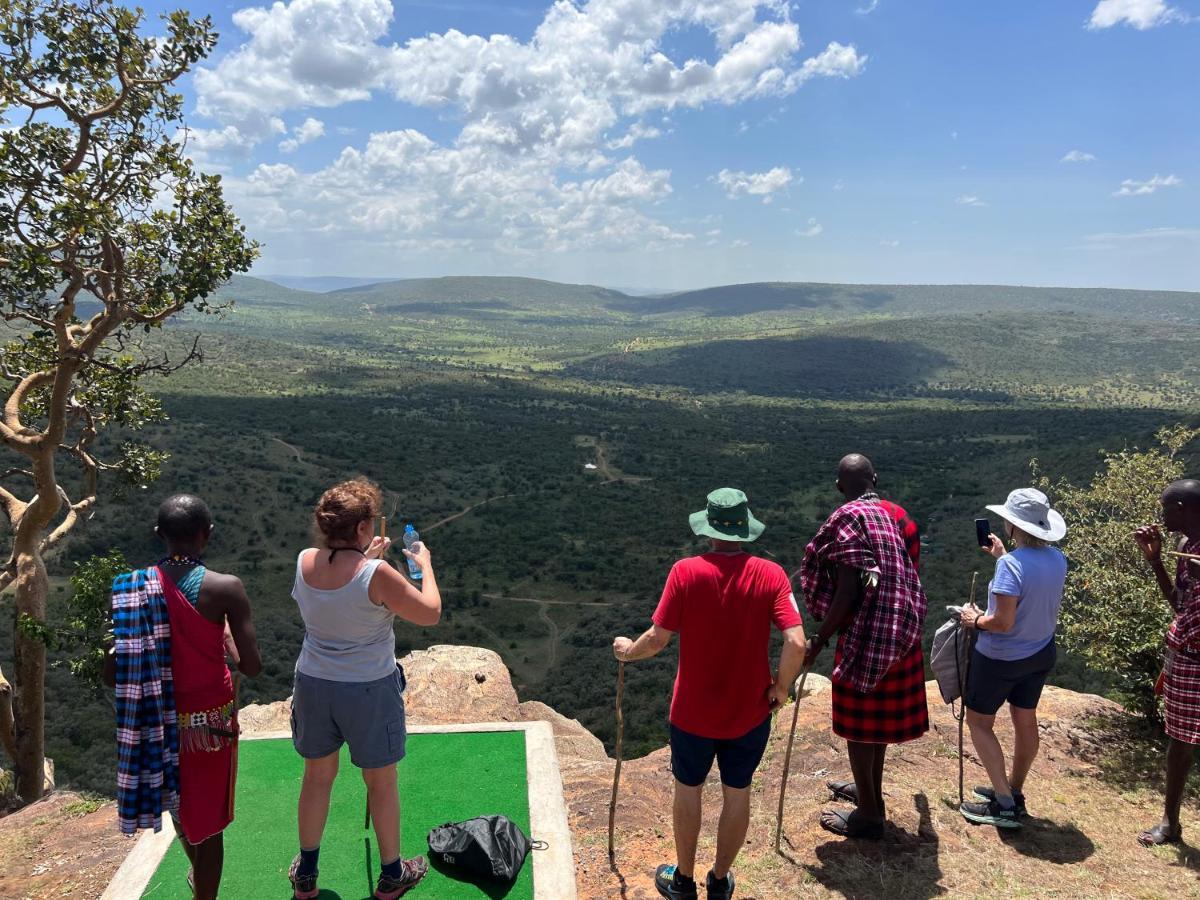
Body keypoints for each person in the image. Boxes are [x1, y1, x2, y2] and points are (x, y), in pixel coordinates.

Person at [611, 488, 805, 900]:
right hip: (750, 712)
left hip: (692, 713)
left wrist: (628, 653)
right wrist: (781, 688)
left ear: (709, 528)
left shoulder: (685, 572)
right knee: (738, 793)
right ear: (745, 528)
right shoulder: (771, 575)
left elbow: (658, 639)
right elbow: (797, 642)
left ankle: (683, 880)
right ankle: (719, 880)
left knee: (688, 791)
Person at [288, 479, 441, 900]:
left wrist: (367, 561)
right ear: (360, 529)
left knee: (317, 778)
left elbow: (337, 592)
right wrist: (424, 564)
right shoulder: (377, 574)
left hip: (314, 683)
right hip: (369, 688)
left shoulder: (304, 560)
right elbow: (430, 613)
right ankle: (392, 875)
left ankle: (306, 872)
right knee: (381, 781)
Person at [109, 494, 262, 900]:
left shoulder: (132, 590)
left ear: (160, 535)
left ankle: (200, 879)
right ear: (206, 535)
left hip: (158, 723)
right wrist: (224, 638)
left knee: (179, 806)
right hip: (210, 727)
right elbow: (251, 666)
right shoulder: (224, 588)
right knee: (209, 824)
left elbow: (114, 671)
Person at [799, 463, 929, 840]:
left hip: (865, 639)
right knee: (878, 727)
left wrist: (820, 638)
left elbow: (848, 592)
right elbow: (907, 576)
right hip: (901, 635)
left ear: (839, 485)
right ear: (876, 480)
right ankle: (867, 791)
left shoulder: (847, 521)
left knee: (859, 730)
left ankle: (869, 815)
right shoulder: (901, 518)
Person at [957, 488, 1067, 829]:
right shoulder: (1057, 559)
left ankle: (1003, 805)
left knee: (978, 722)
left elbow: (1002, 623)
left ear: (1013, 524)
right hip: (1040, 651)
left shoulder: (1010, 566)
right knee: (1025, 719)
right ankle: (1014, 791)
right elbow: (1031, 588)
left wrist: (973, 619)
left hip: (1001, 658)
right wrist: (1004, 556)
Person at [1133, 478, 1200, 846]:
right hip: (1185, 660)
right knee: (1180, 742)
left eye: (1165, 508)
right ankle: (1170, 823)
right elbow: (1179, 604)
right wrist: (1156, 560)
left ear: (1181, 510)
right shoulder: (1185, 547)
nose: (1161, 515)